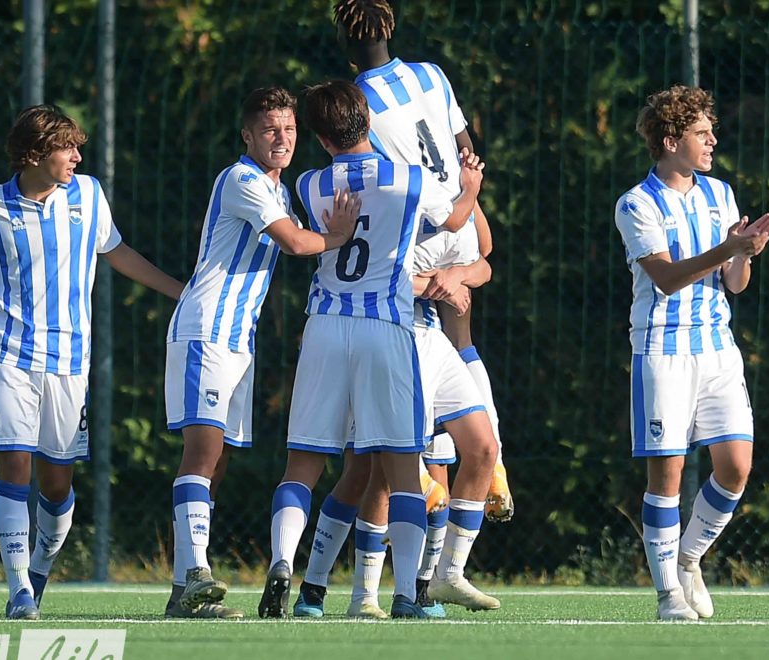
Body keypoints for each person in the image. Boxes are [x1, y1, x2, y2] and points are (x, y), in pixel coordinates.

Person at [0, 104, 184, 620]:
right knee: (13, 469)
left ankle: (38, 570)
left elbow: (118, 252)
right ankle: (18, 590)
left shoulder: (89, 195)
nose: (77, 156)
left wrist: (181, 292)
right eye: (68, 147)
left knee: (57, 486)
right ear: (36, 154)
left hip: (70, 363)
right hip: (9, 355)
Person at [259, 80, 482, 620]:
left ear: (320, 138)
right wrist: (470, 188)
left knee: (303, 464)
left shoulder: (309, 183)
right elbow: (454, 220)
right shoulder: (409, 178)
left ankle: (283, 563)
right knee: (403, 469)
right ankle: (406, 594)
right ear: (366, 118)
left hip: (326, 325)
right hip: (385, 326)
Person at [163, 87, 360, 619]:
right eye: (270, 129)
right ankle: (196, 576)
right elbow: (296, 243)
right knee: (202, 454)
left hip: (237, 340)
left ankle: (183, 590)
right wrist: (338, 236)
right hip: (205, 331)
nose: (282, 138)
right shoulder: (242, 179)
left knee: (219, 460)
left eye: (290, 129)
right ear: (247, 135)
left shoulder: (280, 189)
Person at [333, 0, 513, 526]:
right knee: (459, 340)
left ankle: (419, 473)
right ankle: (495, 462)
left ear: (345, 44)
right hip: (460, 220)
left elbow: (367, 173)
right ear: (390, 29)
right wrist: (468, 198)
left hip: (414, 236)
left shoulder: (356, 102)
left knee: (401, 345)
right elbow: (465, 148)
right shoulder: (432, 74)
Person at [613, 85, 769, 621]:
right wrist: (728, 248)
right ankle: (668, 598)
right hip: (663, 350)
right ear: (670, 141)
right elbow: (665, 279)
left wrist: (744, 254)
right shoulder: (636, 203)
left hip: (718, 350)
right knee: (666, 478)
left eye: (711, 132)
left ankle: (688, 559)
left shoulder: (720, 193)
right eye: (701, 133)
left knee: (736, 468)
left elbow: (735, 283)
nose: (712, 141)